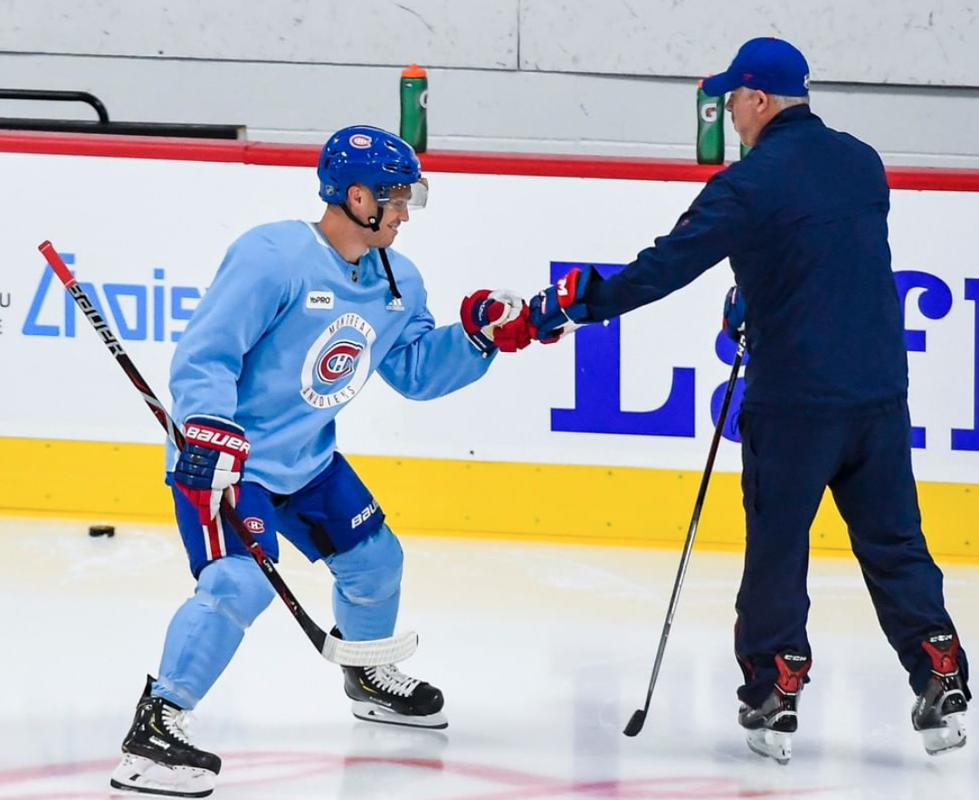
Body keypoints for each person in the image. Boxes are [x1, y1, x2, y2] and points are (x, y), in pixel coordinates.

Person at [522, 38, 970, 763]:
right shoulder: (861, 162)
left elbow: (666, 266)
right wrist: (755, 296)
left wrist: (581, 305)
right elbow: (828, 256)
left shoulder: (749, 183)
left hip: (793, 403)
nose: (730, 115)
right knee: (894, 544)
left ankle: (774, 688)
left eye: (732, 101)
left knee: (776, 549)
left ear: (758, 99)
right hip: (878, 396)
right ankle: (938, 665)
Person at [109, 124, 531, 798]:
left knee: (376, 563)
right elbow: (206, 355)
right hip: (229, 460)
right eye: (395, 198)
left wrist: (478, 337)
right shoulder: (272, 256)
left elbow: (417, 372)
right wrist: (211, 430)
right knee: (239, 584)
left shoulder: (397, 277)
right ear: (354, 195)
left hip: (306, 458)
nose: (404, 212)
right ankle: (155, 726)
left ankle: (365, 674)